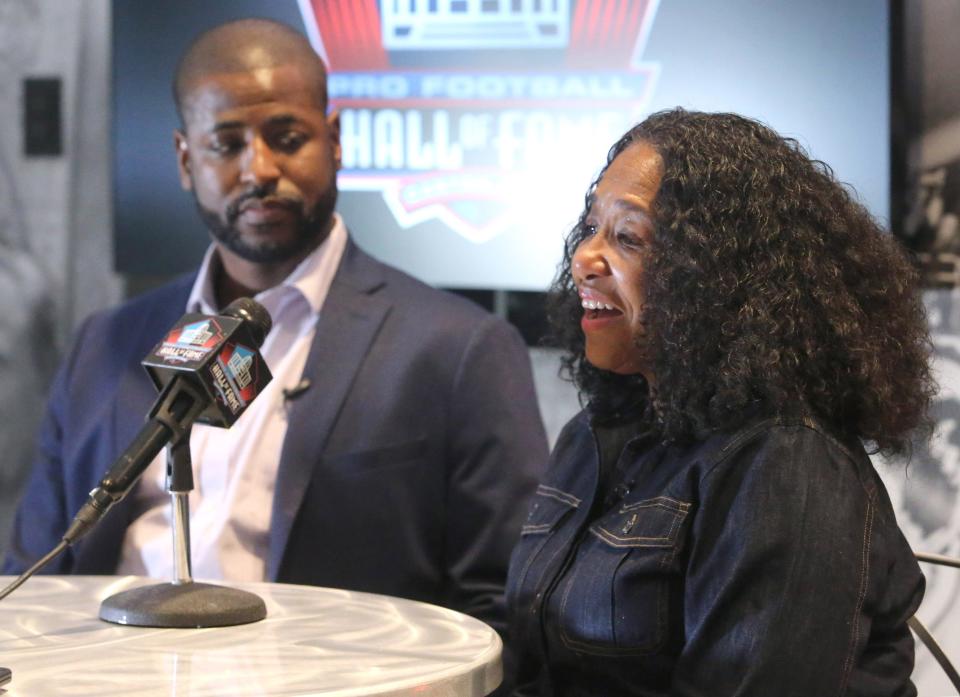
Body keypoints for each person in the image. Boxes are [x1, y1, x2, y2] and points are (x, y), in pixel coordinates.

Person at [4, 18, 548, 642]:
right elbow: (32, 579)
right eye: (226, 145)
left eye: (287, 138)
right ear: (186, 159)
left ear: (335, 140)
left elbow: (505, 605)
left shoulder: (458, 350)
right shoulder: (104, 344)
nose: (258, 169)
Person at [506, 109, 934, 696]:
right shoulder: (596, 430)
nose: (584, 258)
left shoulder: (789, 464)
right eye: (591, 229)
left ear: (717, 277)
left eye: (628, 237)